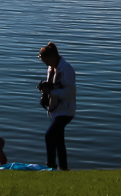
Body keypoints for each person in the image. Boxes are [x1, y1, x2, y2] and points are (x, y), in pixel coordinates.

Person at [36, 42, 76, 170]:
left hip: (66, 110)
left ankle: (51, 166)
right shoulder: (51, 68)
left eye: (46, 61)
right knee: (59, 141)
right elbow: (53, 85)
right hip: (55, 110)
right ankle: (64, 168)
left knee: (49, 135)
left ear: (52, 57)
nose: (46, 65)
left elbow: (70, 92)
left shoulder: (67, 69)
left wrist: (51, 92)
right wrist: (45, 89)